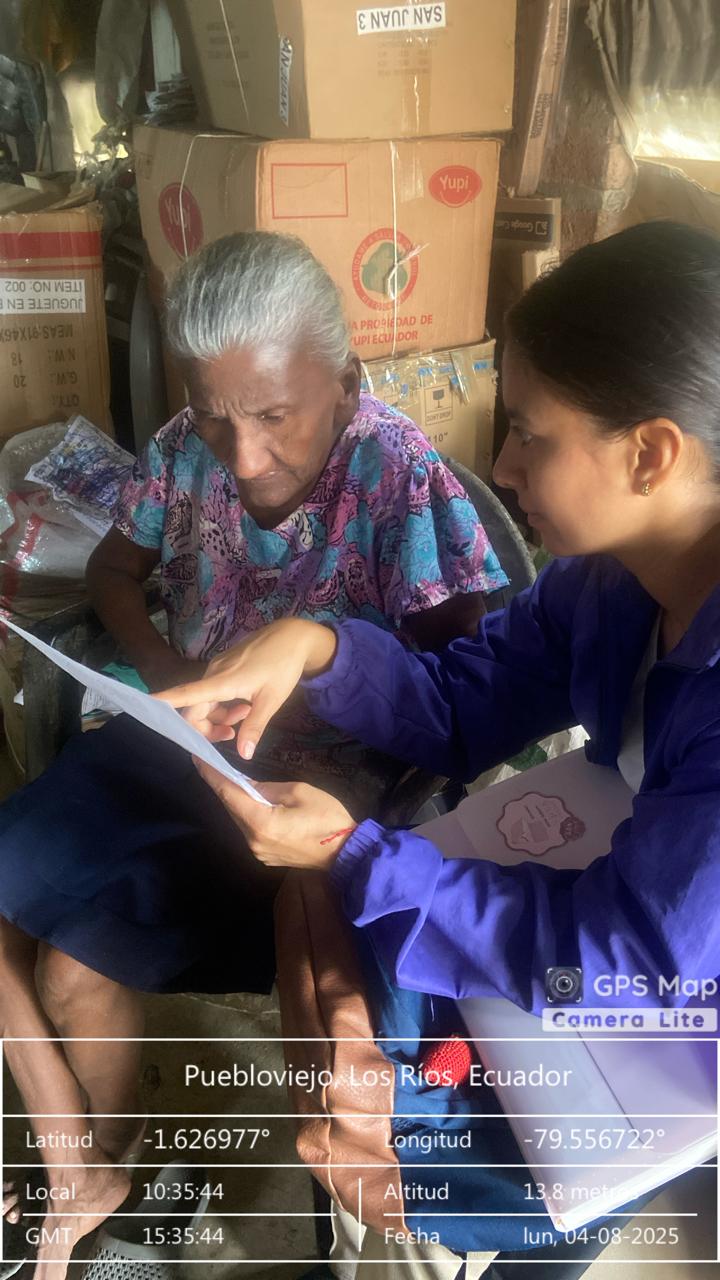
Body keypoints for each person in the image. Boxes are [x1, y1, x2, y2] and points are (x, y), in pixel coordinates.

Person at [160, 220, 720, 1268]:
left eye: (532, 436)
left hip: (662, 1008)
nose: (500, 464)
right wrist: (318, 645)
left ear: (650, 453)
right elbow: (467, 701)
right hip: (626, 925)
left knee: (539, 1181)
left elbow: (626, 968)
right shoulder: (607, 581)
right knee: (360, 1027)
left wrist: (355, 851)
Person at [0, 231, 506, 1279]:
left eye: (274, 416)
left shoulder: (398, 475)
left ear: (345, 380)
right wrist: (166, 669)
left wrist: (364, 796)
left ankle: (94, 1165)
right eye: (215, 415)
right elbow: (113, 572)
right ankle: (78, 1157)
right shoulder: (183, 446)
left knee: (74, 968)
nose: (240, 456)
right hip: (183, 741)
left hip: (311, 793)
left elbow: (468, 689)